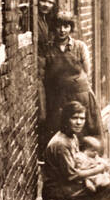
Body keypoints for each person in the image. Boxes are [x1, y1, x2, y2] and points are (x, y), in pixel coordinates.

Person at [42, 10, 102, 147]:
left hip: (79, 95)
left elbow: (87, 72)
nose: (62, 30)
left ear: (70, 28)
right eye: (58, 26)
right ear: (53, 27)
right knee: (61, 131)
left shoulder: (80, 47)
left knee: (82, 130)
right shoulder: (48, 49)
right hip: (59, 98)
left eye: (66, 26)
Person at [36, 0, 57, 143]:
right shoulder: (35, 18)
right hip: (38, 69)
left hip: (45, 70)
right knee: (42, 113)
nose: (46, 5)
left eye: (50, 2)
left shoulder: (45, 20)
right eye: (43, 1)